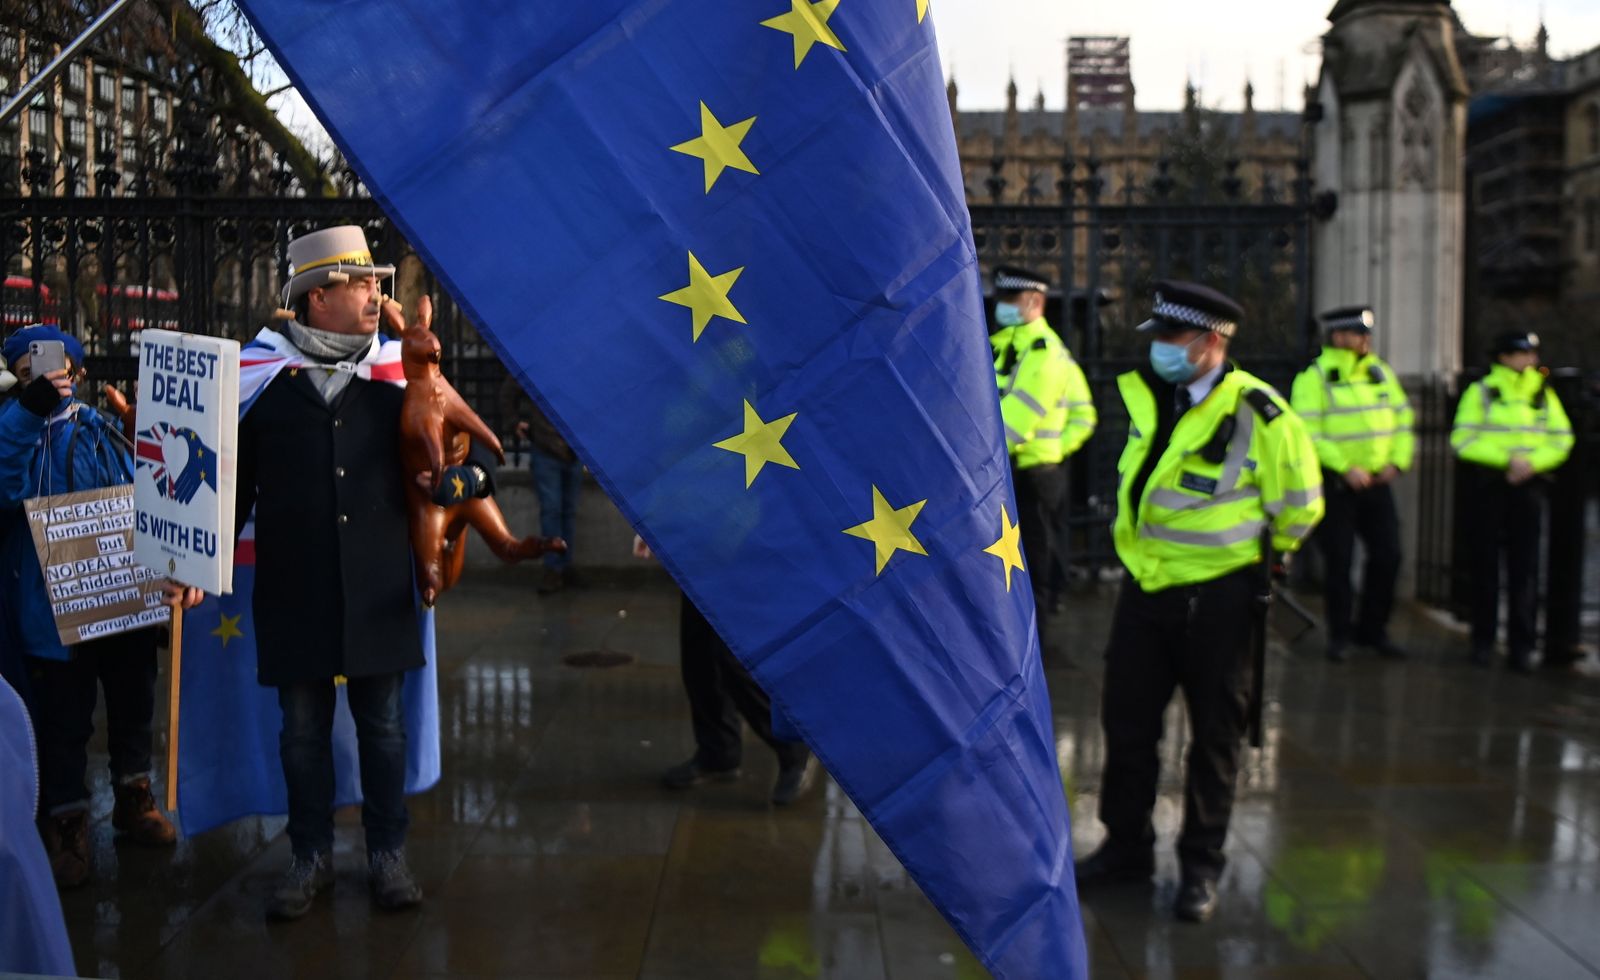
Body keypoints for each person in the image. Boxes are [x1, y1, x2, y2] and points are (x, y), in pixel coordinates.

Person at [170, 226, 498, 920]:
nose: (377, 295)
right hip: (295, 592)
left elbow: (473, 465)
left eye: (376, 284)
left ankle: (387, 854)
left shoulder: (399, 377)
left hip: (379, 589)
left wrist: (457, 483)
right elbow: (230, 493)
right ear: (318, 296)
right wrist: (192, 562)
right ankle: (309, 855)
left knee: (382, 729)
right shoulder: (260, 385)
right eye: (361, 284)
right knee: (300, 733)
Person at [1074, 281, 1323, 923]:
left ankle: (1200, 868)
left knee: (1215, 738)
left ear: (1213, 342)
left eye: (1170, 337)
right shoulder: (1157, 398)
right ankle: (1125, 848)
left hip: (1221, 599)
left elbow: (1300, 504)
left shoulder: (1260, 412)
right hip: (1147, 588)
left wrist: (1266, 559)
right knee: (1127, 728)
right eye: (1156, 336)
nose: (1158, 348)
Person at [0, 325, 177, 889]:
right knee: (64, 721)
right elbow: (5, 485)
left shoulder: (100, 429)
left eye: (56, 371)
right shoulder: (13, 431)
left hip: (120, 602)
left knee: (133, 702)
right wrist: (27, 413)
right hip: (52, 613)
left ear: (76, 373)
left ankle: (133, 794)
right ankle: (67, 821)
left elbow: (145, 494)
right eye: (30, 375)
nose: (47, 382)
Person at [637, 536, 816, 805]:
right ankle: (718, 752)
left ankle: (795, 745)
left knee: (731, 654)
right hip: (703, 537)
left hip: (748, 538)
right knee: (699, 651)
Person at [1290, 306, 1414, 663]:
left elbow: (1402, 418)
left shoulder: (1380, 372)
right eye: (1360, 334)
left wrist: (1397, 461)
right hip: (1339, 485)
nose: (1366, 341)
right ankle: (1340, 636)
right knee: (1339, 563)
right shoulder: (1314, 378)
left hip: (1378, 482)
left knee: (1389, 556)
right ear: (1339, 336)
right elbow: (1307, 431)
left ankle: (1373, 631)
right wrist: (1345, 468)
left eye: (1367, 334)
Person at [1450, 330, 1574, 672]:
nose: (1530, 360)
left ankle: (1522, 645)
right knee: (1485, 568)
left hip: (1528, 487)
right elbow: (1462, 438)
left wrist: (1532, 464)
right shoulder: (1482, 391)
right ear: (1504, 357)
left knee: (1526, 570)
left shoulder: (1543, 392)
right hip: (1491, 486)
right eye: (1522, 354)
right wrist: (1506, 460)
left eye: (1531, 354)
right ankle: (1483, 641)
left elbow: (1562, 439)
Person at [990, 265, 1075, 652]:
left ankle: (1033, 651)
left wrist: (1053, 450)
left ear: (1035, 301)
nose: (1003, 306)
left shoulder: (1046, 353)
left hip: (1032, 474)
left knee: (1031, 568)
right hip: (1006, 471)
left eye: (1012, 299)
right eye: (1001, 298)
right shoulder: (1001, 342)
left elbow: (1013, 422)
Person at [499, 376, 581, 593]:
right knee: (555, 510)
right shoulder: (542, 367)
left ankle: (561, 567)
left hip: (565, 449)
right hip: (549, 448)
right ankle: (556, 568)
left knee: (564, 511)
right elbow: (508, 392)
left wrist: (514, 422)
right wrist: (514, 422)